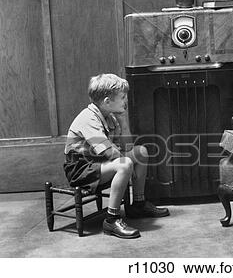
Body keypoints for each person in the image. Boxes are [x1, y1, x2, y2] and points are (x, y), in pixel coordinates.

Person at [63, 73, 169, 239]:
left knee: (141, 152)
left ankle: (138, 205)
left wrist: (123, 120)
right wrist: (128, 166)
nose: (125, 101)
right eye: (122, 97)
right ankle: (111, 220)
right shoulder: (88, 118)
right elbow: (109, 152)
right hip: (81, 170)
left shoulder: (110, 117)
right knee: (124, 163)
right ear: (107, 101)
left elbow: (128, 147)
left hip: (100, 163)